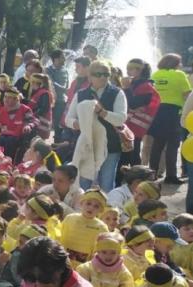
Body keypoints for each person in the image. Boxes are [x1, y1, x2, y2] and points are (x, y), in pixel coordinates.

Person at [65, 61, 127, 192]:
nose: (103, 77)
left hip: (110, 146)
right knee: (83, 183)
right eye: (98, 74)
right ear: (90, 77)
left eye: (106, 74)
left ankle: (107, 211)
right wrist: (76, 124)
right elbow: (68, 119)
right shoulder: (81, 94)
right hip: (86, 145)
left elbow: (120, 119)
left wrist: (102, 113)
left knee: (106, 185)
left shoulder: (117, 93)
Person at [149, 53, 192, 184]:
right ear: (175, 64)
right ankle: (171, 176)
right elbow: (187, 94)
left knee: (157, 144)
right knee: (173, 145)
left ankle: (152, 173)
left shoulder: (155, 75)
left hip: (157, 111)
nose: (181, 65)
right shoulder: (179, 75)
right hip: (174, 111)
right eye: (179, 63)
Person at [122, 58, 159, 166]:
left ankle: (136, 177)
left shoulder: (146, 87)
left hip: (135, 126)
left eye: (130, 69)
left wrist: (127, 88)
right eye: (127, 68)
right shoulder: (135, 84)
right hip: (129, 124)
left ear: (139, 71)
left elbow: (132, 103)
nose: (127, 71)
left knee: (132, 153)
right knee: (126, 153)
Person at [45, 50, 69, 137]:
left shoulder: (65, 71)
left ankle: (57, 143)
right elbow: (51, 82)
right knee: (47, 123)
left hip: (61, 101)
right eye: (62, 57)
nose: (65, 59)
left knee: (59, 124)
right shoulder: (48, 70)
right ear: (56, 59)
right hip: (50, 101)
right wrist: (65, 90)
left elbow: (67, 84)